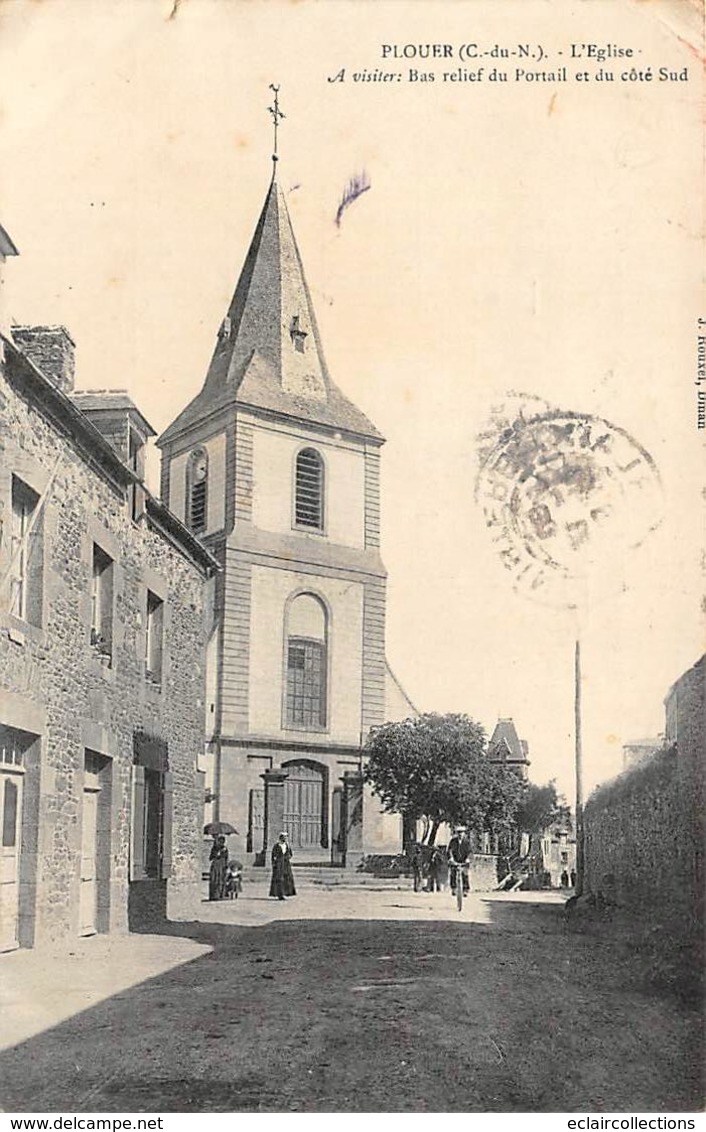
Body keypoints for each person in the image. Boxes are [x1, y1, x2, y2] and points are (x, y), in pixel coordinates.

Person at [269, 831, 296, 900]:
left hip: (286, 865)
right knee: (279, 879)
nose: (285, 839)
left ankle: (286, 893)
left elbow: (290, 854)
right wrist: (275, 863)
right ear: (281, 838)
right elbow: (273, 855)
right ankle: (279, 894)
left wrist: (287, 857)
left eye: (286, 837)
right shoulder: (277, 846)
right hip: (279, 865)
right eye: (284, 837)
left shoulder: (287, 846)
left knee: (287, 878)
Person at [448, 826, 472, 896]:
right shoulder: (453, 841)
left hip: (464, 862)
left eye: (462, 832)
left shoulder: (467, 842)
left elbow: (470, 852)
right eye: (458, 832)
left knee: (465, 874)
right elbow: (450, 850)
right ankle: (453, 888)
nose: (460, 834)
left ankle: (465, 890)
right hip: (455, 861)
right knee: (453, 874)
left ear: (464, 833)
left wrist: (468, 858)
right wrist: (451, 858)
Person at [208, 834, 228, 901]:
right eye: (220, 841)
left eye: (223, 841)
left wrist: (226, 865)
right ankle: (214, 895)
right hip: (216, 865)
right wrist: (217, 853)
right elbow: (210, 858)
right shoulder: (214, 848)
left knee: (221, 880)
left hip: (222, 866)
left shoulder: (225, 849)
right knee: (214, 880)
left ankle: (220, 895)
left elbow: (226, 858)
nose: (221, 843)